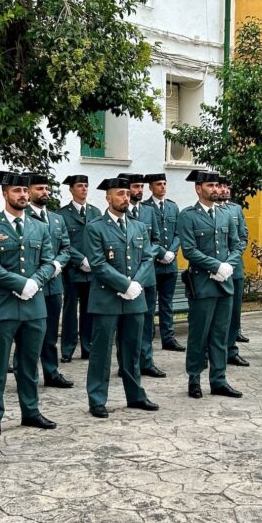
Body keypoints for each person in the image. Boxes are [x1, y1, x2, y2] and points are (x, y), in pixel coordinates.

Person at [0, 172, 57, 437]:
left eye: (25, 191)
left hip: (35, 307)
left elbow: (48, 262)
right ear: (5, 194)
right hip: (4, 306)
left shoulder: (40, 227)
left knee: (29, 363)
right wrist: (20, 284)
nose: (22, 196)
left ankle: (31, 411)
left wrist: (35, 282)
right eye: (16, 191)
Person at [85, 177, 159, 418]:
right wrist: (125, 284)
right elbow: (97, 263)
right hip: (107, 299)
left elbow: (148, 258)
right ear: (108, 197)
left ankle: (135, 395)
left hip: (135, 298)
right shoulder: (95, 227)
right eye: (120, 194)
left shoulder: (138, 226)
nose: (126, 198)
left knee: (132, 350)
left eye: (127, 194)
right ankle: (97, 399)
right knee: (101, 352)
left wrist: (136, 283)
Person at [178, 170, 244, 399]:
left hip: (224, 283)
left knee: (221, 334)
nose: (216, 190)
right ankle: (194, 378)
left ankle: (219, 379)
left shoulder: (226, 214)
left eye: (217, 185)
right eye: (210, 186)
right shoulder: (188, 216)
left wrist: (228, 266)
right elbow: (189, 250)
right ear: (199, 189)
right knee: (199, 333)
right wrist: (216, 266)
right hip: (202, 284)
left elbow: (237, 245)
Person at [24, 173, 74, 389]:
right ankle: (26, 374)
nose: (45, 192)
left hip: (53, 285)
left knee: (51, 332)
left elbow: (66, 247)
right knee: (29, 333)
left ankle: (51, 372)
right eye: (39, 189)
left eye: (46, 188)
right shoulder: (21, 216)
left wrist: (56, 265)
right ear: (28, 192)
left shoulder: (56, 219)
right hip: (31, 285)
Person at [118, 173, 165, 378]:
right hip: (124, 278)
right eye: (135, 187)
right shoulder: (118, 212)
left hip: (147, 276)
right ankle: (125, 364)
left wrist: (148, 256)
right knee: (124, 323)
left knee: (146, 322)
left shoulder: (149, 211)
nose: (139, 191)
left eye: (140, 187)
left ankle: (146, 361)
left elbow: (156, 240)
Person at [58, 175, 102, 362]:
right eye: (79, 186)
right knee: (69, 311)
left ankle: (87, 347)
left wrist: (92, 260)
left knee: (88, 310)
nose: (84, 189)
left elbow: (100, 239)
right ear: (71, 189)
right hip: (72, 270)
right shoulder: (62, 214)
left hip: (92, 270)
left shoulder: (95, 212)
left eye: (86, 185)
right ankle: (67, 349)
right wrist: (81, 260)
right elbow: (63, 243)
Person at [141, 173, 184, 355]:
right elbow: (147, 238)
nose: (163, 187)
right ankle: (148, 337)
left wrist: (171, 253)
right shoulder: (145, 208)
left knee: (167, 303)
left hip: (170, 264)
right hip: (152, 264)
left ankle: (168, 338)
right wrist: (160, 253)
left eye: (165, 183)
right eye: (158, 184)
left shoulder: (173, 207)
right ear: (151, 187)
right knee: (150, 305)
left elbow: (178, 233)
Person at [218, 176, 250, 367]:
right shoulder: (208, 211)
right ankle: (209, 349)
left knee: (234, 312)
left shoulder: (236, 209)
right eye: (220, 186)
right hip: (213, 269)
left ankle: (231, 350)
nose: (224, 189)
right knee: (214, 314)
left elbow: (243, 237)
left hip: (234, 268)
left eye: (226, 186)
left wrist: (232, 260)